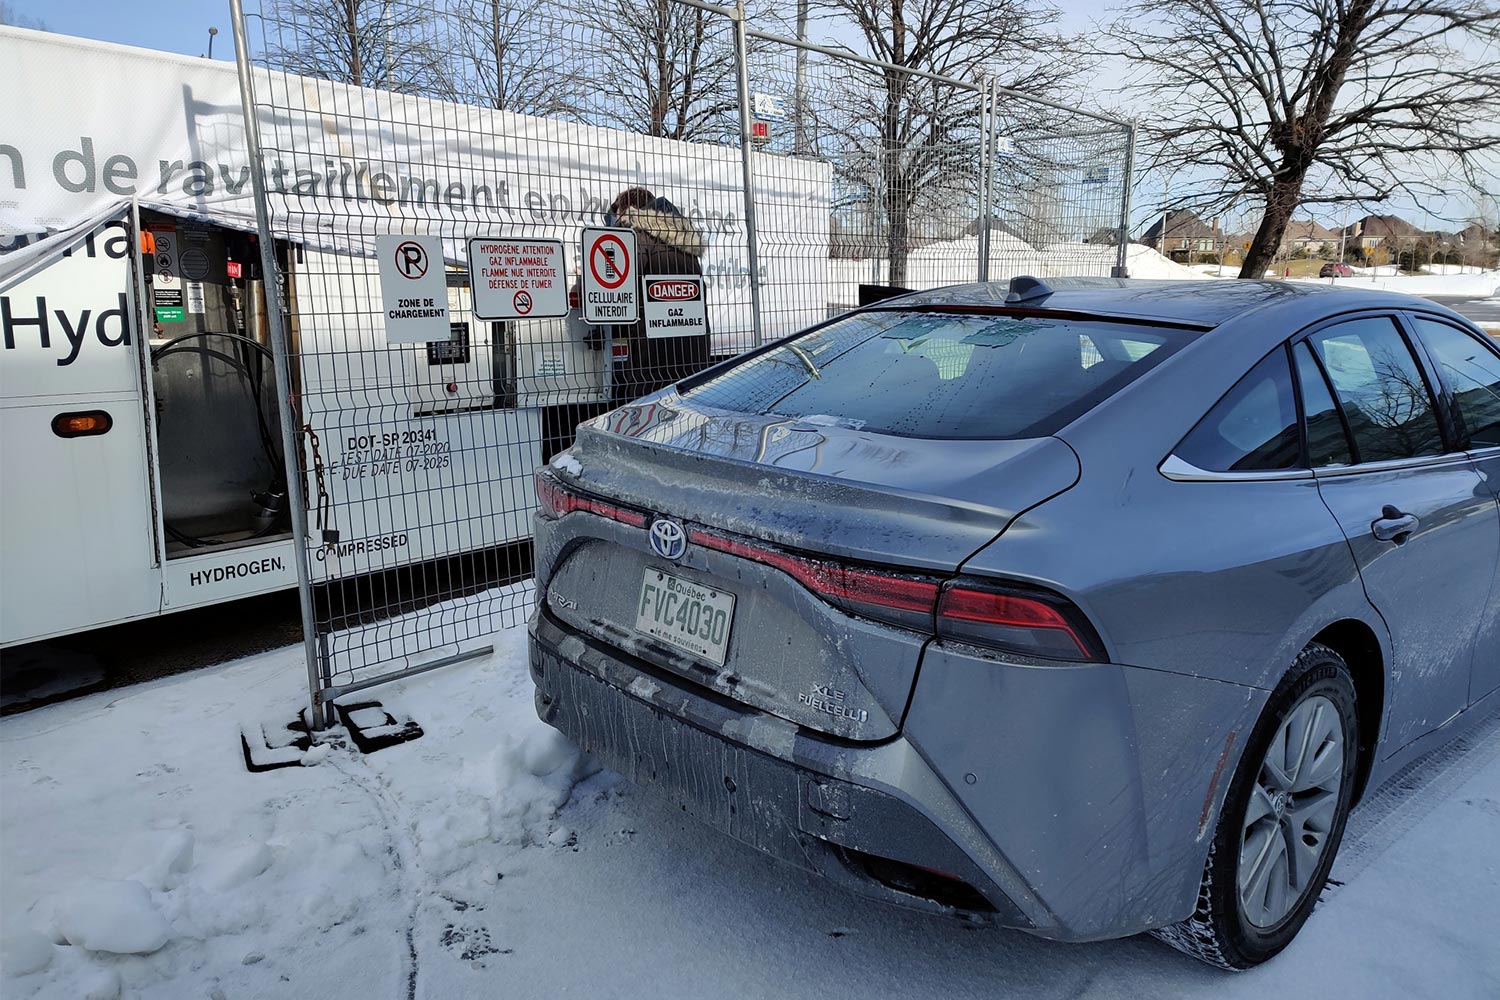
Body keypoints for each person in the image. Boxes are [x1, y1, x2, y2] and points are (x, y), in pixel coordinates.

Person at [603, 187, 711, 405]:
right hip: (695, 358)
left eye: (619, 216)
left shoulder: (639, 236)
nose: (618, 222)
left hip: (653, 365)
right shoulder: (683, 238)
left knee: (649, 427)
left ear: (632, 209)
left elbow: (618, 287)